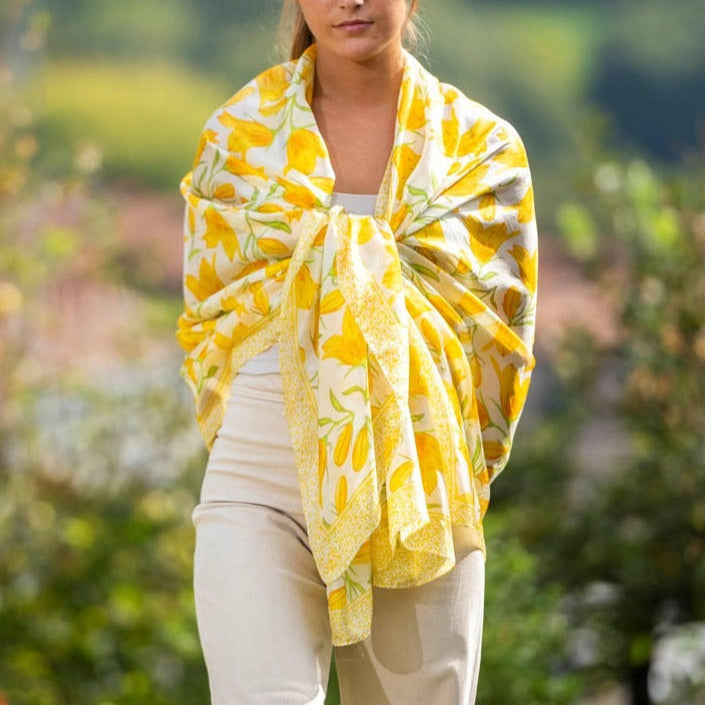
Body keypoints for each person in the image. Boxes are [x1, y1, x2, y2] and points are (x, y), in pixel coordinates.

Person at [176, 0, 538, 703]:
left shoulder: (482, 150)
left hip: (418, 490)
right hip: (259, 483)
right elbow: (211, 323)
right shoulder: (237, 138)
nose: (350, 0)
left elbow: (499, 347)